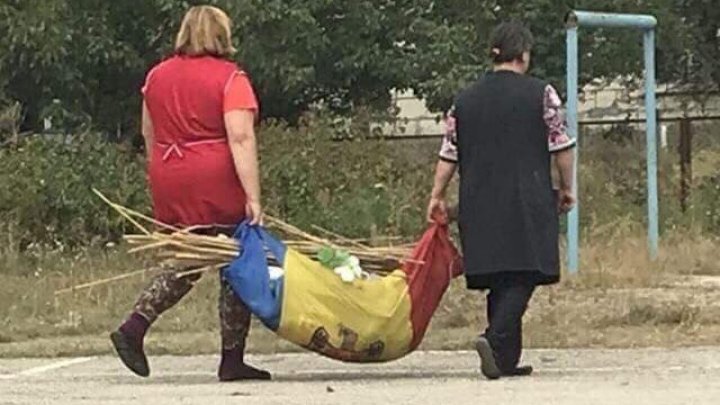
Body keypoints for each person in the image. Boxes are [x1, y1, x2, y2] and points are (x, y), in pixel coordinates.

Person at [110, 5, 270, 382]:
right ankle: (231, 357)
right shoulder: (230, 78)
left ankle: (136, 325)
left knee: (193, 252)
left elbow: (149, 133)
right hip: (213, 172)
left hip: (169, 169)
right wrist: (254, 196)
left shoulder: (157, 76)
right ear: (221, 34)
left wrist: (162, 174)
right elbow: (241, 136)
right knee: (236, 257)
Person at [427, 21, 576, 380]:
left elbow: (449, 153)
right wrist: (568, 187)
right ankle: (493, 340)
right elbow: (561, 145)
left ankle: (505, 360)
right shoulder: (542, 93)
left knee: (500, 274)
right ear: (523, 54)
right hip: (528, 196)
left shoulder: (463, 100)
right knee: (527, 269)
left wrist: (437, 195)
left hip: (477, 200)